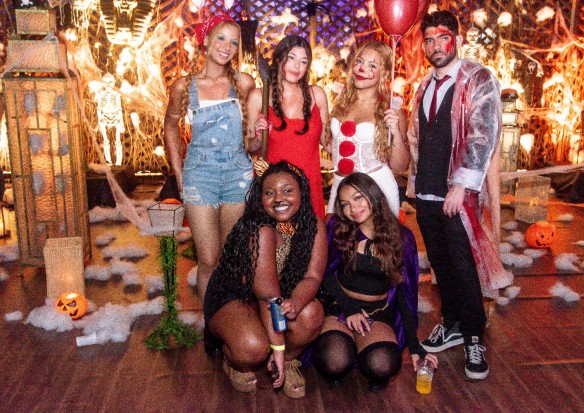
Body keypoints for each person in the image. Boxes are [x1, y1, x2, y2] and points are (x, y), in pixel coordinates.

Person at [407, 10, 513, 380]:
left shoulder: (478, 78)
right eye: (430, 40)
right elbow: (420, 137)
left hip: (457, 194)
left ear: (458, 40)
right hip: (426, 191)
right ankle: (451, 323)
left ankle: (473, 337)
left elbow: (484, 134)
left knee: (464, 266)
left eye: (443, 38)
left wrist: (461, 185)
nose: (436, 46)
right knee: (441, 263)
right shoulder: (424, 84)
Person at [203, 161, 327, 398]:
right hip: (235, 297)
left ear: (302, 192)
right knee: (252, 348)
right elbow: (267, 296)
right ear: (260, 199)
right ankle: (234, 360)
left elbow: (312, 276)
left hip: (275, 296)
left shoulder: (314, 225)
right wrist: (277, 347)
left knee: (311, 313)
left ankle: (287, 362)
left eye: (287, 190)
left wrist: (295, 303)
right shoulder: (259, 229)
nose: (279, 198)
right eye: (269, 193)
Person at [314, 172, 438, 391]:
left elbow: (405, 294)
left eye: (357, 198)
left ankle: (362, 349)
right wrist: (349, 308)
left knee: (382, 365)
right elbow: (323, 275)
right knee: (333, 362)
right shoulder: (337, 228)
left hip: (377, 312)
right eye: (345, 204)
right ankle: (347, 347)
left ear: (373, 194)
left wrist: (415, 346)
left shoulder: (402, 237)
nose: (352, 208)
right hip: (340, 304)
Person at [163, 13, 256, 301]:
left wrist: (257, 136)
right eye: (221, 38)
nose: (227, 47)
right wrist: (178, 171)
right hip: (200, 175)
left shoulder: (244, 83)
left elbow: (254, 134)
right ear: (206, 40)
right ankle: (211, 323)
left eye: (234, 42)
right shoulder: (183, 86)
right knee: (207, 259)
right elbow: (170, 125)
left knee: (230, 256)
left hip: (237, 175)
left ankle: (230, 317)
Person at [248, 35, 330, 220]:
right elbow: (249, 147)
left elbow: (328, 143)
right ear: (278, 58)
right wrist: (259, 138)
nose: (297, 66)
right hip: (272, 190)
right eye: (291, 58)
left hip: (308, 188)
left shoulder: (317, 95)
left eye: (303, 61)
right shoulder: (258, 97)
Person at [326, 40, 410, 217]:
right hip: (340, 186)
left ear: (384, 73)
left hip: (376, 189)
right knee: (334, 232)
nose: (362, 68)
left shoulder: (391, 109)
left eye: (372, 65)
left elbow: (400, 167)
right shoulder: (340, 102)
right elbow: (330, 145)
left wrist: (395, 132)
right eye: (359, 61)